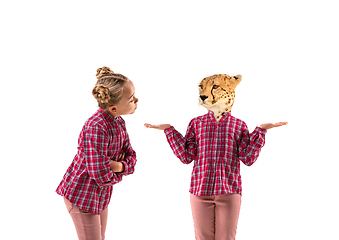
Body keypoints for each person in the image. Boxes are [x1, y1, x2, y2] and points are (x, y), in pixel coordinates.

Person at [144, 73, 287, 240]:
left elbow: (248, 158)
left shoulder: (239, 125)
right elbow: (186, 156)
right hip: (200, 191)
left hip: (229, 191)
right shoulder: (196, 123)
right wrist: (169, 131)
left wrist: (261, 131)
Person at [56, 66, 138, 240]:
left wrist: (118, 166)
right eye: (131, 99)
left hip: (100, 196)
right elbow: (99, 174)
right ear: (114, 108)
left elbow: (132, 156)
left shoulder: (119, 122)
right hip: (82, 196)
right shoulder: (96, 127)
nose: (136, 100)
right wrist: (122, 171)